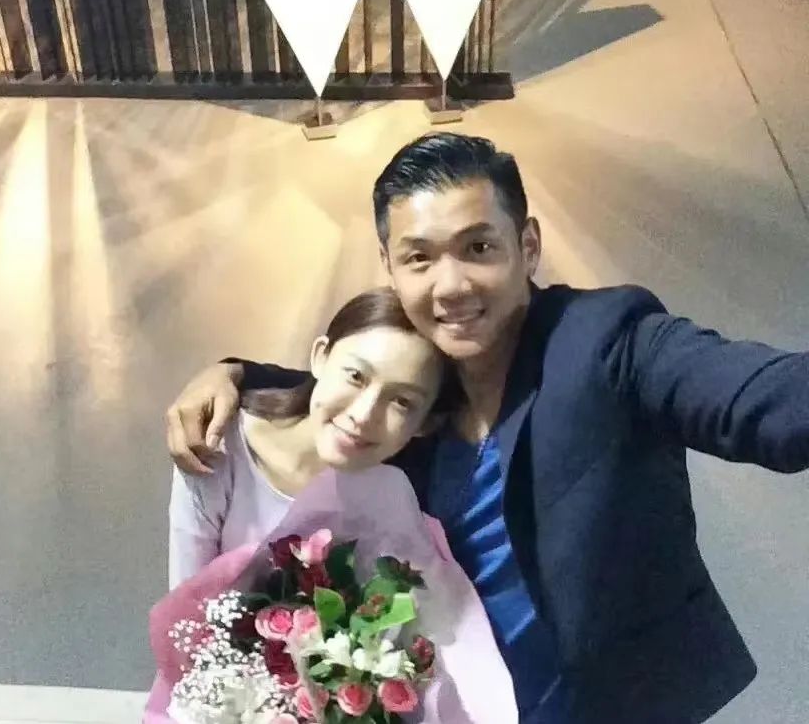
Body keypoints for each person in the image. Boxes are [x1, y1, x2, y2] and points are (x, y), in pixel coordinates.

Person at [165, 132, 809, 724]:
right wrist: (234, 372)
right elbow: (347, 386)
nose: (451, 286)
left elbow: (764, 400)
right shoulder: (421, 389)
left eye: (478, 248)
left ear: (527, 246)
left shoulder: (606, 341)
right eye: (419, 258)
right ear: (389, 265)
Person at [169, 285, 455, 587]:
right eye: (356, 376)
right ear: (320, 356)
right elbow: (185, 595)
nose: (363, 415)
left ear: (426, 423)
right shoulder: (220, 446)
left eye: (402, 402)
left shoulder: (394, 496)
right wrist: (229, 371)